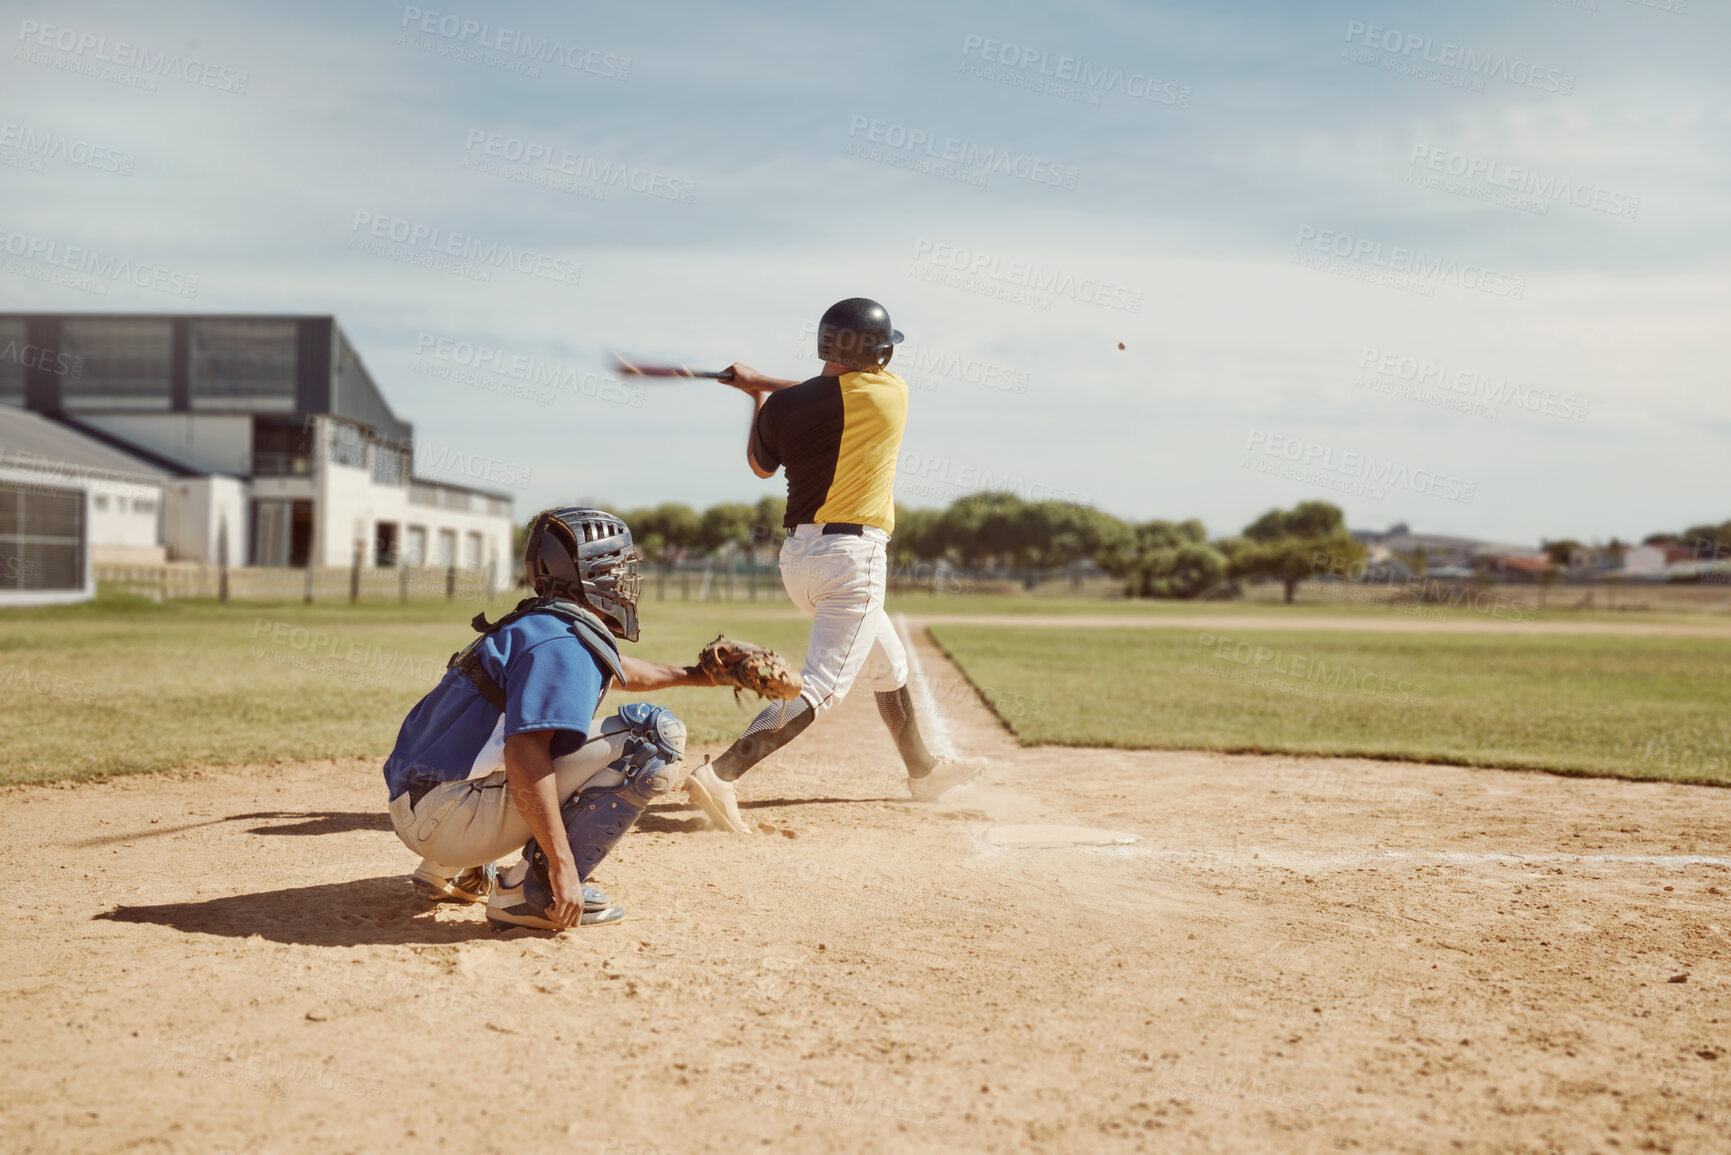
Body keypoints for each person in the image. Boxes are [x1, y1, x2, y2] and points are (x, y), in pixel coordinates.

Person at [682, 297, 986, 835]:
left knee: (889, 666)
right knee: (820, 688)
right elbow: (836, 393)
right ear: (877, 352)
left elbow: (759, 464)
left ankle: (924, 771)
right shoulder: (892, 394)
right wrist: (764, 383)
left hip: (799, 561)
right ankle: (722, 773)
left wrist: (756, 393)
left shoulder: (783, 407)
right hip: (852, 561)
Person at [382, 506, 730, 930]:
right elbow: (525, 752)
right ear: (591, 574)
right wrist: (562, 864)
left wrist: (698, 676)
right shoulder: (562, 642)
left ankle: (448, 868)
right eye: (616, 569)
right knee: (653, 738)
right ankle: (529, 894)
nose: (624, 581)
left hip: (422, 806)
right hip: (448, 819)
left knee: (532, 744)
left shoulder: (542, 626)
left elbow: (619, 668)